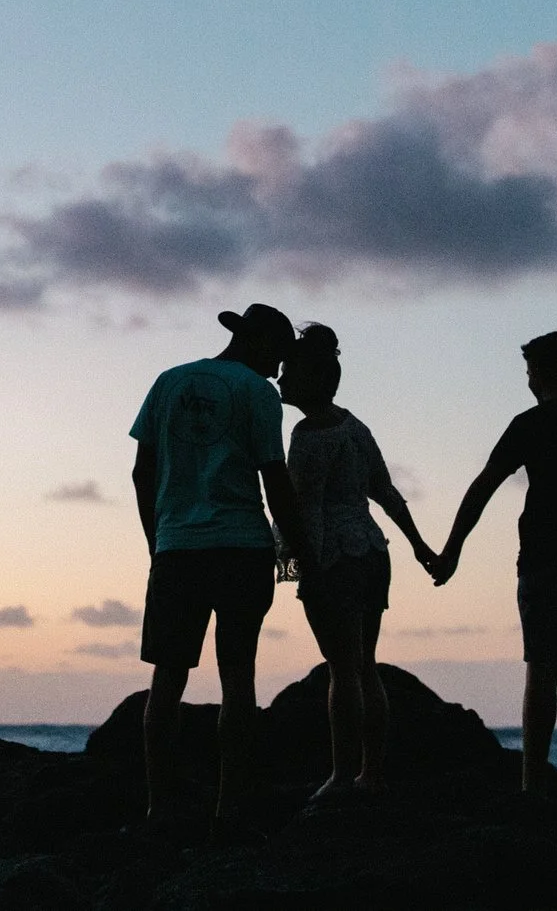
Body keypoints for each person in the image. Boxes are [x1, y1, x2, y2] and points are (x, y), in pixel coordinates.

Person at [429, 330, 557, 792]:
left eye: (528, 371)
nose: (526, 379)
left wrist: (452, 551)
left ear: (540, 372)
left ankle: (530, 786)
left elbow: (482, 487)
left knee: (542, 672)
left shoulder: (528, 424)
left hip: (543, 563)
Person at [130, 302, 312, 827]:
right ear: (257, 343)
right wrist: (300, 549)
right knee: (238, 678)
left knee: (166, 681)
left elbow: (144, 472)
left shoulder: (168, 382)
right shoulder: (257, 393)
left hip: (177, 549)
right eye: (278, 354)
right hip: (241, 549)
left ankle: (158, 807)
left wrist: (157, 541)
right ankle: (230, 806)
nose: (281, 368)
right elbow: (273, 478)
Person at [277, 322, 439, 802]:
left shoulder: (307, 436)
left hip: (335, 559)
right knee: (364, 666)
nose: (280, 381)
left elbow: (301, 512)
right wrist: (418, 545)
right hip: (371, 551)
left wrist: (301, 571)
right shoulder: (355, 426)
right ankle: (371, 771)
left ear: (308, 379)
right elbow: (385, 492)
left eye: (287, 373)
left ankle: (342, 775)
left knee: (342, 670)